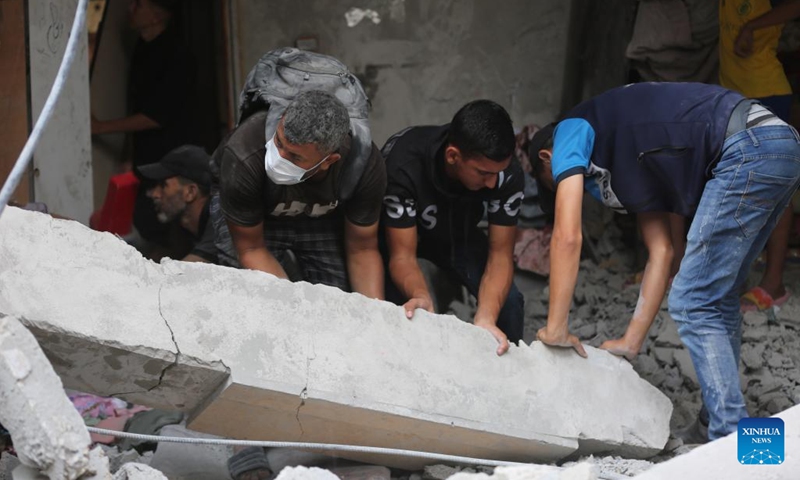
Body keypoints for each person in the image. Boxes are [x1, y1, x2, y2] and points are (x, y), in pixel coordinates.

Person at [528, 82, 800, 441]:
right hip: (778, 143)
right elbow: (662, 251)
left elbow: (567, 235)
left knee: (693, 299)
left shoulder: (570, 130)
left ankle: (730, 437)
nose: (567, 183)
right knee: (718, 296)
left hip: (746, 147)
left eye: (555, 181)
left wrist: (556, 327)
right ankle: (713, 422)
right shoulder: (624, 156)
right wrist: (631, 341)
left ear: (548, 159)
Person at [381, 100, 525, 356]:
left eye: (497, 173)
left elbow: (501, 256)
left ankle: (505, 380)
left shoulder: (505, 172)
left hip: (461, 235)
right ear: (453, 156)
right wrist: (420, 294)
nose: (492, 183)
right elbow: (402, 256)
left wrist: (487, 317)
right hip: (406, 237)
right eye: (483, 173)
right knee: (405, 311)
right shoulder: (403, 163)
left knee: (510, 305)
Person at [210, 90, 386, 299]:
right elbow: (250, 249)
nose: (278, 158)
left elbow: (362, 251)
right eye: (279, 143)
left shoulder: (363, 167)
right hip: (256, 217)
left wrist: (374, 317)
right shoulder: (245, 155)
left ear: (329, 161)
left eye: (294, 156)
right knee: (253, 295)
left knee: (338, 300)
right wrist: (294, 311)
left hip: (321, 216)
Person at [92, 0, 195, 257]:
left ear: (157, 15)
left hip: (170, 159)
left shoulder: (175, 53)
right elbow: (138, 107)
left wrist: (101, 128)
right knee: (145, 226)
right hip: (146, 159)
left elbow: (156, 116)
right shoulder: (143, 48)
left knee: (164, 225)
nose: (130, 8)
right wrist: (129, 155)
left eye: (139, 4)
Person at [721, 0, 800, 311]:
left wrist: (752, 26)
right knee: (736, 186)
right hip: (732, 93)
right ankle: (735, 277)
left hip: (765, 90)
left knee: (773, 187)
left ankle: (774, 284)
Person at [137, 145, 216, 263]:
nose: (155, 194)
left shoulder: (219, 222)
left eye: (163, 185)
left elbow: (185, 271)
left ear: (190, 192)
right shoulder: (182, 226)